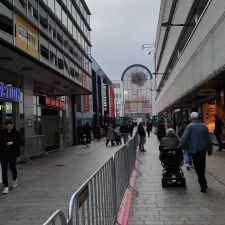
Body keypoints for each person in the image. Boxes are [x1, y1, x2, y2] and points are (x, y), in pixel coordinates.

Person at [180, 112, 212, 193]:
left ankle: (202, 184)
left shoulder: (189, 126)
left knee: (198, 167)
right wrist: (210, 149)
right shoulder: (204, 126)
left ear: (191, 118)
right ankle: (203, 182)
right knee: (202, 166)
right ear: (198, 118)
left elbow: (184, 138)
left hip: (194, 150)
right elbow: (208, 139)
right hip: (203, 150)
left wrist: (180, 145)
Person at [0, 120, 23, 194]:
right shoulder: (2, 133)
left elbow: (22, 143)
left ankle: (15, 178)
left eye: (11, 125)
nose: (10, 126)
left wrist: (13, 143)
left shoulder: (17, 133)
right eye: (8, 125)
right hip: (3, 154)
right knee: (4, 170)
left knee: (12, 168)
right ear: (5, 126)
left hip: (12, 154)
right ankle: (6, 187)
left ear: (13, 125)